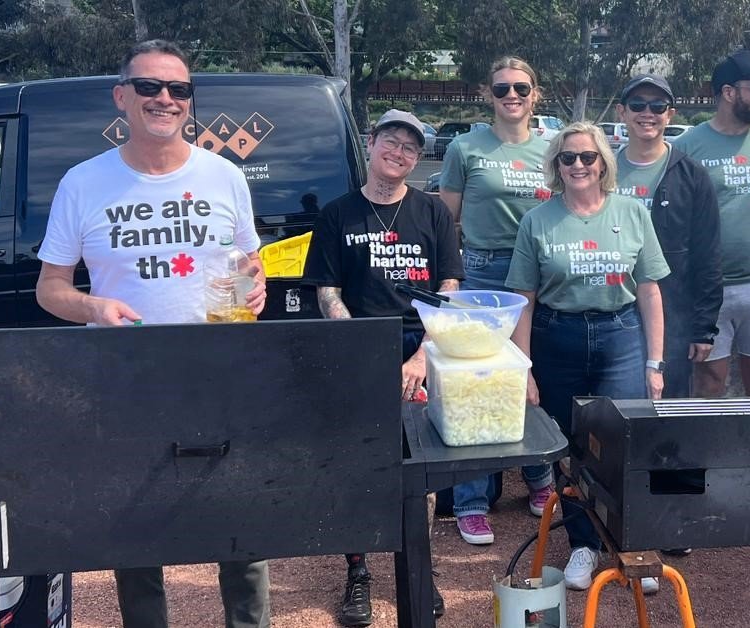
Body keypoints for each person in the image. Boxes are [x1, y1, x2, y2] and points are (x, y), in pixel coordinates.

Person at [35, 40, 270, 628]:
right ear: (122, 97)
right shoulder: (84, 183)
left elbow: (248, 264)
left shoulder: (224, 176)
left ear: (189, 102)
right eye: (149, 87)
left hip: (218, 369)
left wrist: (253, 290)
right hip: (126, 377)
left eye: (178, 90)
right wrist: (93, 309)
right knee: (137, 523)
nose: (164, 99)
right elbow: (50, 289)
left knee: (236, 516)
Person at [302, 110, 457, 626]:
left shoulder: (433, 212)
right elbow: (327, 290)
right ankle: (359, 570)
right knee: (358, 462)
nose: (400, 153)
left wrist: (420, 357)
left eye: (411, 148)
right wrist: (362, 349)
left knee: (423, 468)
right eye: (391, 142)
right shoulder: (338, 214)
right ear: (372, 144)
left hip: (421, 347)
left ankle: (419, 566)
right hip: (359, 348)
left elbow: (449, 290)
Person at [505, 122, 670, 592]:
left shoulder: (633, 212)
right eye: (568, 158)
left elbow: (651, 292)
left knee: (625, 442)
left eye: (587, 157)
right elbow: (523, 298)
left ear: (603, 163)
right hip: (558, 335)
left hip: (620, 336)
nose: (578, 165)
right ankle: (583, 543)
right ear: (556, 166)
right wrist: (526, 368)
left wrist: (655, 364)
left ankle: (628, 544)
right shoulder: (537, 220)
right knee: (571, 445)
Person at [437, 56, 555, 546]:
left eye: (521, 88)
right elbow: (447, 222)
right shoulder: (465, 148)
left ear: (535, 93)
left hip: (542, 272)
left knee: (531, 378)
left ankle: (537, 479)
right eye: (502, 88)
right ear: (488, 94)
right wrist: (454, 281)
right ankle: (471, 500)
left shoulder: (554, 151)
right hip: (484, 271)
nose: (512, 96)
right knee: (478, 384)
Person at [673, 50, 750, 399]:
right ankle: (709, 455)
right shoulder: (685, 147)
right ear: (729, 93)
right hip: (707, 290)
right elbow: (675, 222)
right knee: (708, 386)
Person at [611, 74, 723, 400]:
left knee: (665, 409)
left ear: (670, 114)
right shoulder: (600, 171)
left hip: (673, 315)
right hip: (614, 314)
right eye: (638, 105)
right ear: (622, 112)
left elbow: (708, 254)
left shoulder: (691, 175)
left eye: (658, 105)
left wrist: (703, 328)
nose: (648, 113)